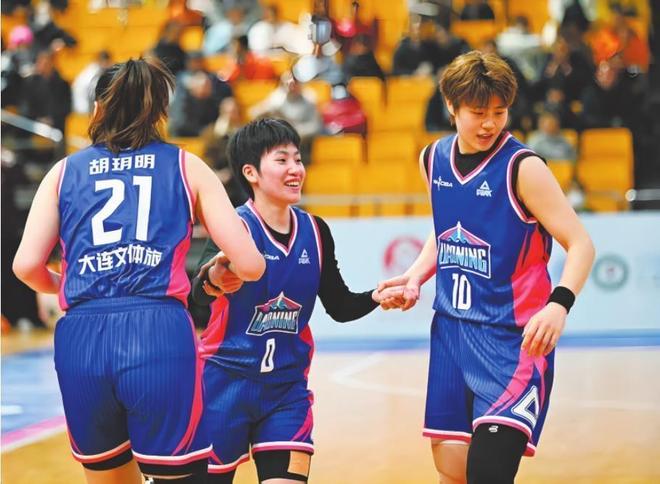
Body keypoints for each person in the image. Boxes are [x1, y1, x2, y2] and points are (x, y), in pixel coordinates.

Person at [12, 57, 265, 484]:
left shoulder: (63, 172)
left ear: (97, 109)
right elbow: (252, 265)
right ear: (159, 111)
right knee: (179, 476)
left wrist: (65, 285)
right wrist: (221, 270)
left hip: (81, 337)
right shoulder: (186, 165)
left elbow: (25, 266)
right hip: (158, 332)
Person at [378, 51, 595, 484]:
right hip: (451, 337)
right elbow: (446, 231)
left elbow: (581, 244)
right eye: (478, 113)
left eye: (499, 112)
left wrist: (559, 305)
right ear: (451, 106)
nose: (489, 124)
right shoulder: (433, 159)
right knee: (452, 472)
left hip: (513, 342)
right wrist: (416, 275)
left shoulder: (523, 168)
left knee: (488, 473)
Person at [190, 118, 401, 483]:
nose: (295, 169)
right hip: (223, 385)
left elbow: (339, 306)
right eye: (282, 160)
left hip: (286, 392)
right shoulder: (234, 228)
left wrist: (375, 297)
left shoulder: (316, 231)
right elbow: (197, 296)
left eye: (298, 159)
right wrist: (212, 281)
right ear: (251, 173)